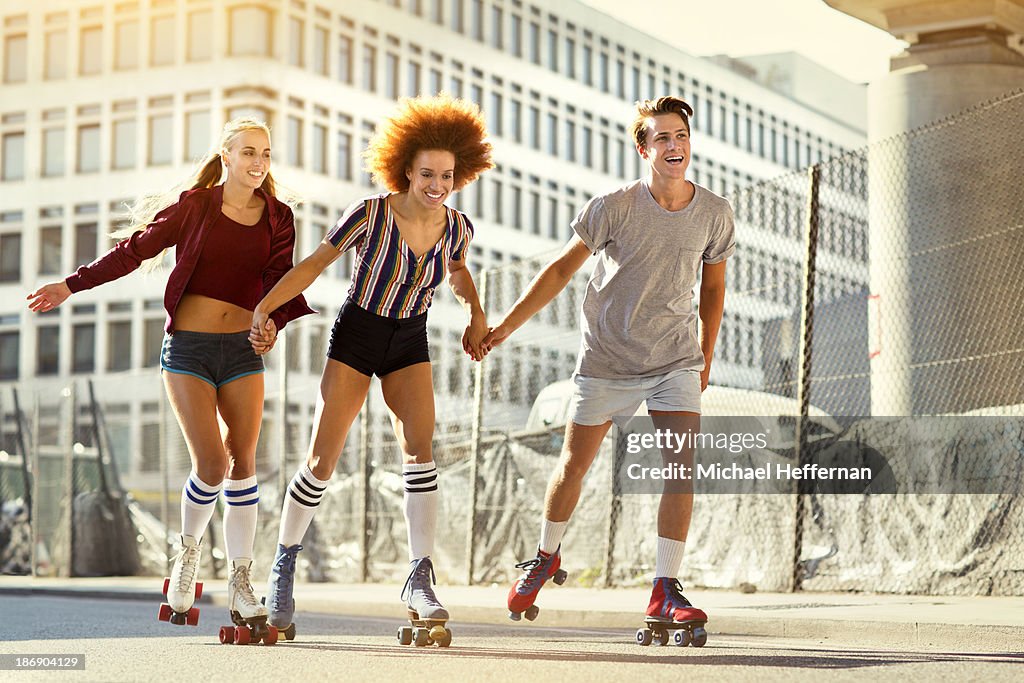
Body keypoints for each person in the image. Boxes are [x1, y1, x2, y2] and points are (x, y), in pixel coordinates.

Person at [27, 118, 313, 634]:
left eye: (266, 154)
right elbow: (134, 251)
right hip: (188, 347)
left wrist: (271, 323)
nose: (258, 162)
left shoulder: (279, 217)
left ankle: (241, 578)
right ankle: (186, 559)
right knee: (212, 462)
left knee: (245, 458)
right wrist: (71, 285)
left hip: (242, 350)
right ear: (225, 155)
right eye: (248, 152)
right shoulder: (195, 206)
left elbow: (279, 281)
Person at [482, 97, 734, 636]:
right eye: (661, 137)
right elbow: (558, 270)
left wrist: (706, 355)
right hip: (608, 358)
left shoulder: (714, 212)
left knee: (680, 469)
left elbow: (713, 289)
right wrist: (505, 327)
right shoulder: (613, 206)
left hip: (675, 359)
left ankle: (665, 589)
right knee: (575, 464)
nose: (674, 145)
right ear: (643, 149)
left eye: (681, 135)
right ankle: (545, 556)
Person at [250, 93, 492, 640]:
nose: (437, 184)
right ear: (405, 169)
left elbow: (457, 272)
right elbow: (315, 263)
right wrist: (266, 307)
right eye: (427, 173)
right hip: (358, 333)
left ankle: (419, 576)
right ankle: (284, 565)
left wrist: (476, 311)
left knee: (420, 450)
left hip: (409, 336)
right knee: (322, 457)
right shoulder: (370, 213)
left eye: (447, 175)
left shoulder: (457, 226)